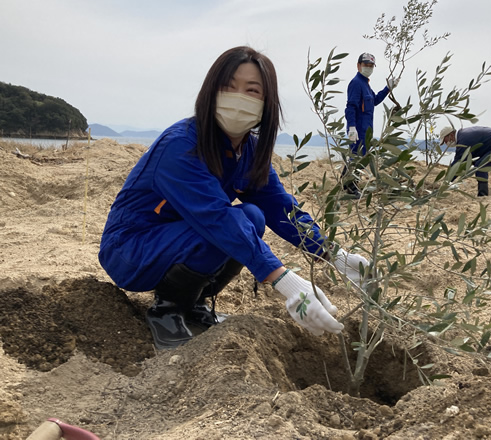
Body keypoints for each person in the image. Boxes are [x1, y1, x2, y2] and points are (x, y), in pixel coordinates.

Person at [99, 46, 368, 350]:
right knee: (235, 222)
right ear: (211, 92)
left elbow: (281, 209)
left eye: (252, 91)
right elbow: (217, 218)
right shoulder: (181, 145)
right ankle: (168, 310)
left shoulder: (250, 151)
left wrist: (334, 254)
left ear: (267, 104)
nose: (239, 98)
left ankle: (195, 305)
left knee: (253, 215)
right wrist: (286, 282)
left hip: (180, 240)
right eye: (229, 87)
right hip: (132, 249)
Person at [342, 52, 399, 197]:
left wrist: (388, 88)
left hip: (367, 130)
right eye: (365, 65)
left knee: (360, 158)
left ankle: (346, 183)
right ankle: (351, 187)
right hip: (358, 129)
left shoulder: (366, 84)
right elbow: (351, 107)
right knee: (356, 158)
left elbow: (374, 100)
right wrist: (352, 127)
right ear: (358, 66)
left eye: (370, 66)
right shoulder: (356, 83)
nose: (368, 68)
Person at [439, 125, 491, 197]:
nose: (446, 144)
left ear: (451, 135)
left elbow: (458, 163)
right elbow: (469, 160)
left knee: (480, 166)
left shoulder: (463, 140)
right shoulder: (463, 135)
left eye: (445, 141)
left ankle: (483, 195)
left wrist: (446, 182)